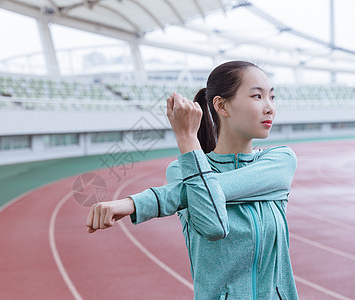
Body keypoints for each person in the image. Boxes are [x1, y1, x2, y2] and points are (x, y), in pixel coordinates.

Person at [86, 61, 299, 300]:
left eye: (272, 97)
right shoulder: (181, 170)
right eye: (257, 96)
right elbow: (214, 226)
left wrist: (134, 204)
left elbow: (207, 191)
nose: (269, 108)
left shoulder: (280, 160)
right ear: (222, 105)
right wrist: (187, 139)